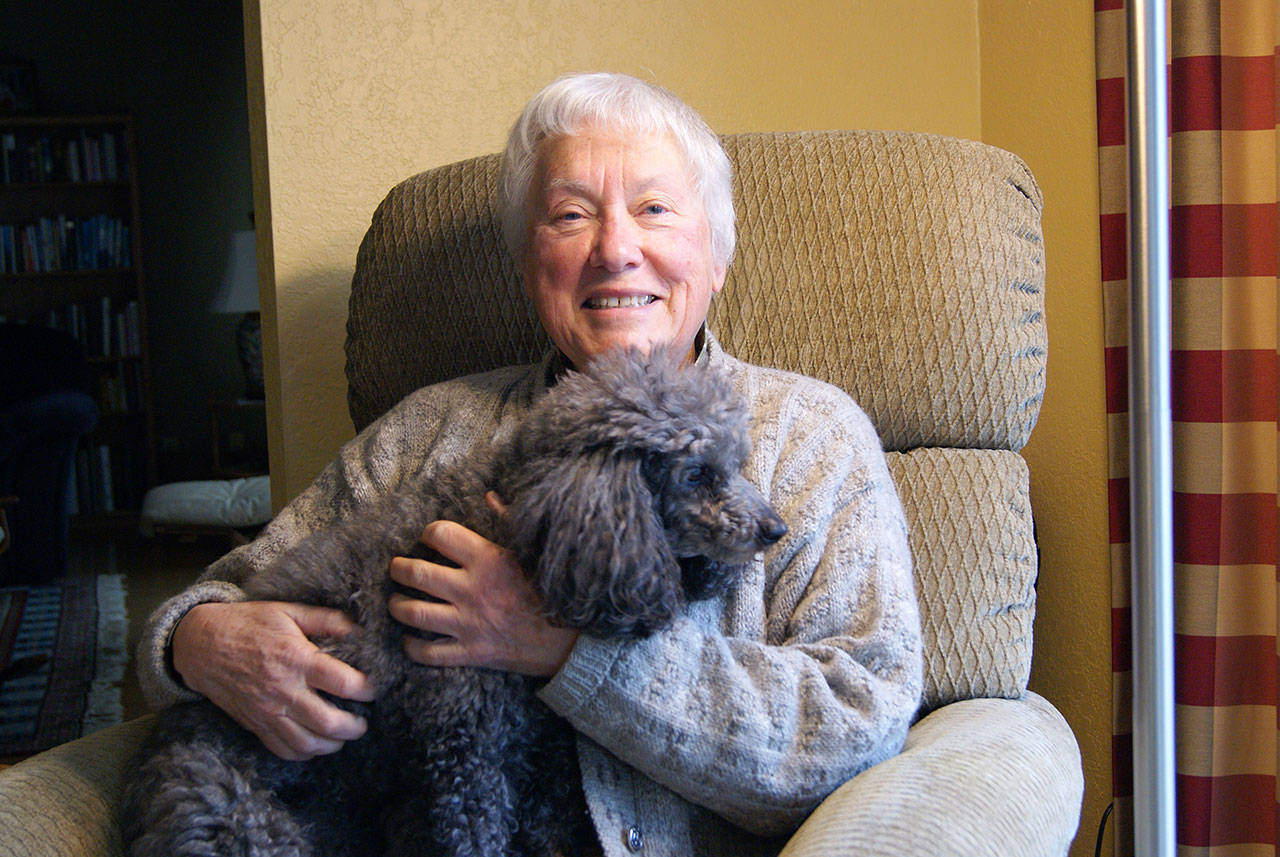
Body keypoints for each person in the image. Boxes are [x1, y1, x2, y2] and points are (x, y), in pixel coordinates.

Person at [139, 72, 924, 856]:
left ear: (715, 257)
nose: (615, 249)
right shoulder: (427, 428)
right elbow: (234, 591)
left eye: (653, 209)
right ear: (529, 268)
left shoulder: (812, 436)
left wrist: (568, 649)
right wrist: (201, 642)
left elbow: (856, 722)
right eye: (571, 215)